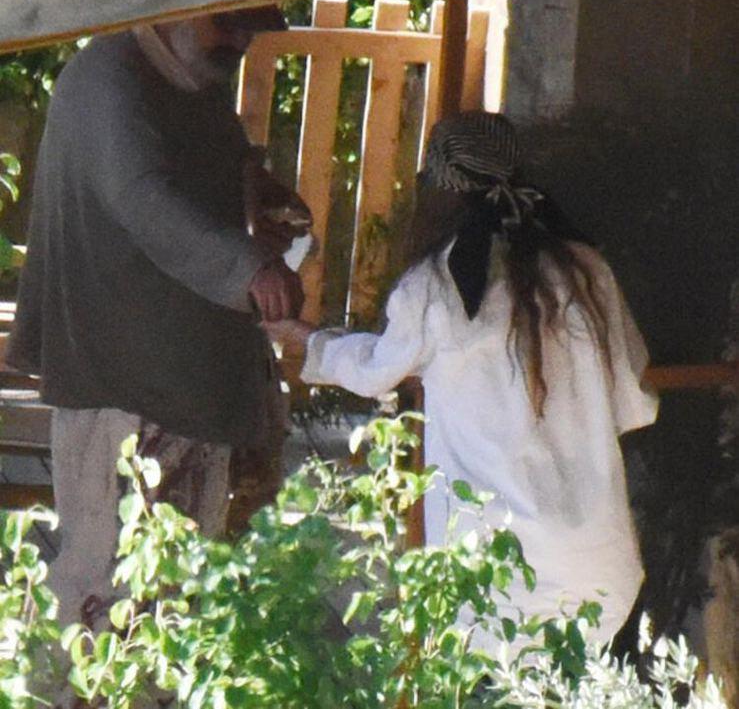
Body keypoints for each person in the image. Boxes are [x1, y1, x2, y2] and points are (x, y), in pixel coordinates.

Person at [265, 111, 659, 649]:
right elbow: (635, 399)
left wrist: (306, 339)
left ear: (438, 186)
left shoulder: (437, 284)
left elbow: (376, 369)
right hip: (600, 562)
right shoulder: (587, 270)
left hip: (496, 576)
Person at [6, 5, 306, 638]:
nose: (241, 39)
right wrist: (248, 268)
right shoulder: (106, 79)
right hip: (120, 389)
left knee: (181, 600)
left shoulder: (190, 76)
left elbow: (219, 165)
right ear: (175, 9)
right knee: (109, 600)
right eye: (227, 22)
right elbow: (142, 197)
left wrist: (258, 196)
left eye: (249, 27)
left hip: (187, 379)